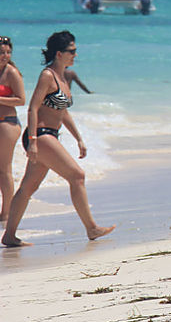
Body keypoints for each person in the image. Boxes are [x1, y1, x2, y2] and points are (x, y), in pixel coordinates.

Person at [1, 31, 114, 247]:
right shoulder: (48, 76)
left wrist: (79, 138)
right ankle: (91, 227)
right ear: (60, 53)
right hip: (41, 135)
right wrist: (32, 140)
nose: (75, 54)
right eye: (72, 51)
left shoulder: (63, 76)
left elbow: (63, 112)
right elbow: (33, 108)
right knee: (77, 176)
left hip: (51, 135)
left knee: (28, 188)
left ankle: (9, 235)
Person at [0, 36, 25, 227]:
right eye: (2, 52)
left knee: (4, 169)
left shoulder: (12, 73)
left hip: (7, 123)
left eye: (8, 52)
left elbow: (21, 99)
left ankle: (6, 212)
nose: (5, 56)